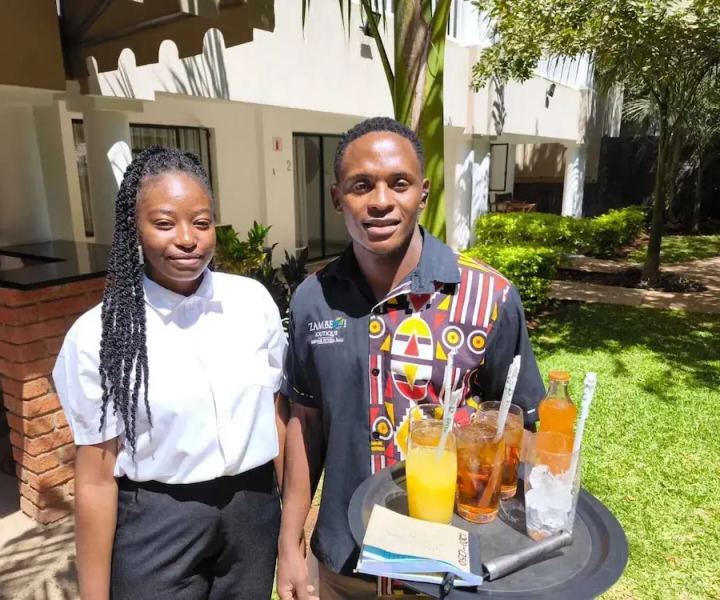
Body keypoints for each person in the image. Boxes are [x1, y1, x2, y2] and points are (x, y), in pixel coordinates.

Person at [276, 117, 546, 600]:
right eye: (361, 186)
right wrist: (289, 542)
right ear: (338, 197)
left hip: (447, 565)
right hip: (345, 563)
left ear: (422, 193)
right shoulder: (313, 299)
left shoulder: (488, 297)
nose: (380, 201)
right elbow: (305, 422)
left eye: (398, 183)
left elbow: (521, 423)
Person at [53, 146, 288, 600]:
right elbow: (96, 479)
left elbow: (277, 412)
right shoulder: (99, 335)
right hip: (160, 525)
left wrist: (293, 522)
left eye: (201, 222)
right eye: (164, 223)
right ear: (134, 229)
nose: (187, 238)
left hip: (253, 513)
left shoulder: (252, 303)